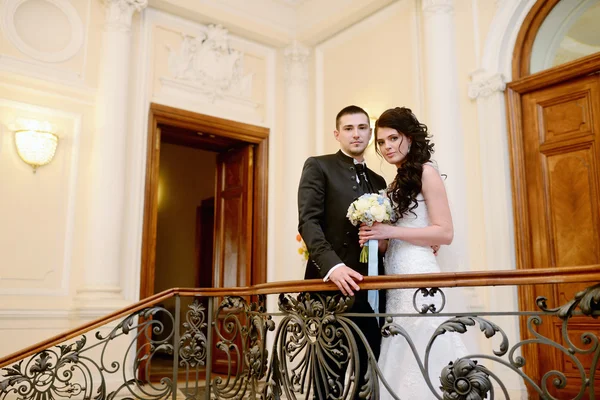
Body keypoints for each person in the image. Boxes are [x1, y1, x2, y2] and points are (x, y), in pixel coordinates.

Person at [358, 107, 469, 399]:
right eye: (381, 142)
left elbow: (444, 232)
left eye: (393, 138)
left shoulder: (427, 172)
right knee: (400, 347)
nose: (387, 147)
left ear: (409, 137)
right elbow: (393, 237)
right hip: (395, 278)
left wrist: (390, 231)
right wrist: (375, 237)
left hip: (419, 273)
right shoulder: (394, 184)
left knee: (426, 344)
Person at [298, 105, 387, 399]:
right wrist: (332, 267)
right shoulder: (319, 166)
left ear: (369, 132)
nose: (356, 134)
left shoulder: (379, 181)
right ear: (337, 134)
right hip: (331, 288)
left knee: (369, 369)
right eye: (349, 129)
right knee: (329, 375)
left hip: (372, 286)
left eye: (362, 128)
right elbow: (308, 222)